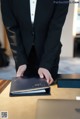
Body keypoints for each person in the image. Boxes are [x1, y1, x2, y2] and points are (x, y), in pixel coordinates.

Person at [1, 0, 69, 85]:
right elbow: (11, 27)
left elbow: (55, 28)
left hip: (49, 52)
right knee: (24, 92)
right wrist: (20, 61)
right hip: (22, 52)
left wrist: (46, 64)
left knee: (49, 92)